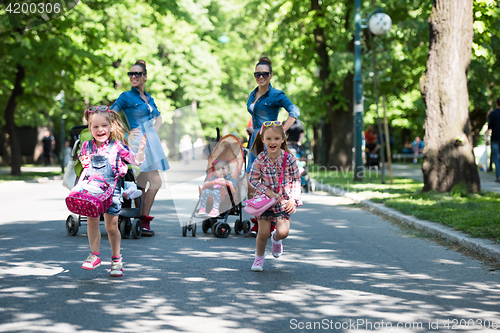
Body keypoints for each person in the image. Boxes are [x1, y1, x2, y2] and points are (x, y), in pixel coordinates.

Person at [78, 105, 147, 277]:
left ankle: (116, 259)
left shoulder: (117, 146)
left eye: (104, 126)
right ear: (90, 129)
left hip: (112, 192)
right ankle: (95, 255)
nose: (100, 130)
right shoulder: (86, 146)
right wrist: (84, 161)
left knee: (111, 227)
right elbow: (84, 163)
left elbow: (134, 161)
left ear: (110, 127)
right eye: (95, 127)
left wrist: (140, 151)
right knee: (92, 222)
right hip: (92, 191)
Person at [110, 59, 169, 236]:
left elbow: (158, 116)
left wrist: (154, 129)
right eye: (131, 74)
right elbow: (111, 114)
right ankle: (143, 219)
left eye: (137, 73)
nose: (133, 76)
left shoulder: (148, 97)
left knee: (144, 183)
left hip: (152, 141)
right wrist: (127, 134)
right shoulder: (126, 97)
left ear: (145, 77)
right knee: (152, 181)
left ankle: (142, 220)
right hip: (137, 143)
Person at [245, 56, 300, 237]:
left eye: (265, 74)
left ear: (271, 75)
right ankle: (259, 221)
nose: (261, 77)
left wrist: (281, 130)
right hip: (255, 140)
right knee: (251, 182)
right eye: (257, 74)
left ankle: (274, 220)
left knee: (273, 181)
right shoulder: (253, 94)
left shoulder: (276, 94)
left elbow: (294, 111)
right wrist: (252, 130)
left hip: (270, 142)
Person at [248, 120, 302, 272]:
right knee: (262, 232)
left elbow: (296, 180)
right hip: (265, 202)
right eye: (269, 139)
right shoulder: (260, 159)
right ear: (263, 140)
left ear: (283, 139)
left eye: (276, 139)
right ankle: (259, 259)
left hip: (284, 202)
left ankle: (276, 239)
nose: (273, 142)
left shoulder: (289, 159)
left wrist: (293, 199)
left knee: (283, 232)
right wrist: (267, 191)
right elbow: (252, 179)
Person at [485, 97, 500, 182]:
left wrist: (486, 138)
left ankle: (498, 176)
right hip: (495, 139)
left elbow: (489, 127)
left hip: (495, 138)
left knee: (496, 158)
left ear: (496, 104)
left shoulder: (493, 114)